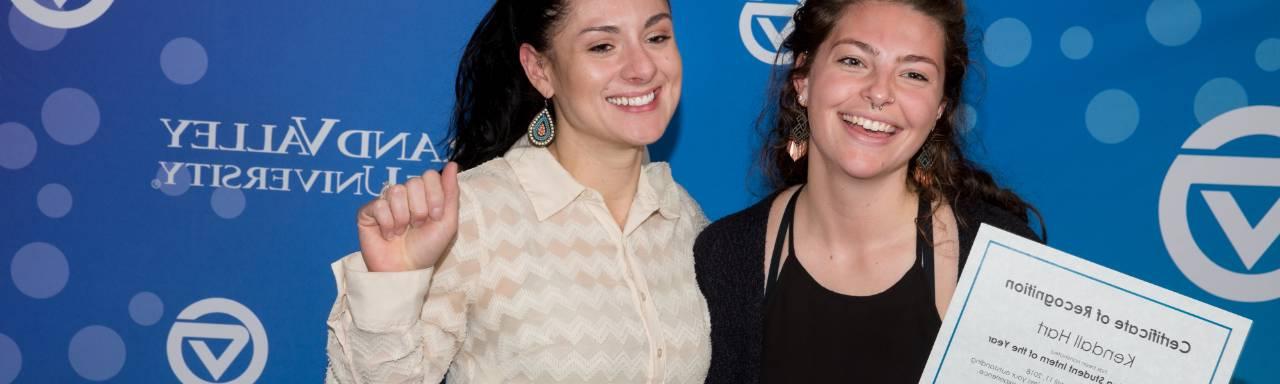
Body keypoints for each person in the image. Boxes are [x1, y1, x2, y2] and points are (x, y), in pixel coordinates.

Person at [324, 0, 711, 382]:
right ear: (540, 69)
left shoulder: (686, 220)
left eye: (657, 37)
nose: (643, 68)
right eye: (602, 46)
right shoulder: (470, 216)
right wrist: (394, 281)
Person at [692, 0, 1045, 382]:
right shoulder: (725, 254)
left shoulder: (1000, 257)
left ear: (939, 108)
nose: (879, 93)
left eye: (913, 74)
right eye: (854, 62)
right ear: (803, 79)